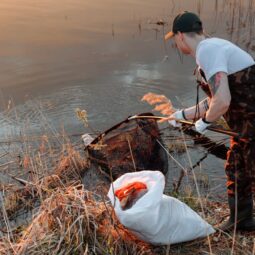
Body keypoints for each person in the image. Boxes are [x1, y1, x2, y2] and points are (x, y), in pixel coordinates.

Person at [165, 11, 255, 232]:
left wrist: (204, 123)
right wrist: (182, 115)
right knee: (236, 168)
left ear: (180, 36)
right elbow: (215, 99)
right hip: (244, 128)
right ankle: (241, 221)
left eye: (175, 40)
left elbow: (222, 101)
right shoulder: (212, 48)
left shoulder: (207, 50)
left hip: (251, 127)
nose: (177, 46)